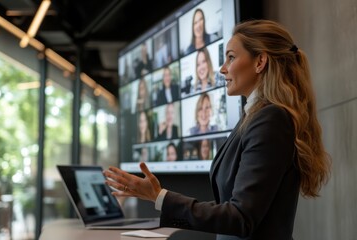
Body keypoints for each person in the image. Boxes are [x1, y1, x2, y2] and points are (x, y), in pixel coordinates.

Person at [104, 20, 331, 240]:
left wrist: (159, 196)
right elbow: (232, 208)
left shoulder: (270, 119)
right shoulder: (255, 117)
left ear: (260, 61)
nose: (222, 69)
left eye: (231, 58)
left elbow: (240, 218)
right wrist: (160, 199)